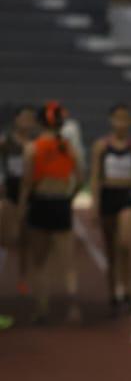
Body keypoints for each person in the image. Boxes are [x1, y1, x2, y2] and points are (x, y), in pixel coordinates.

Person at [18, 101, 84, 323]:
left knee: (39, 261)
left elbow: (27, 183)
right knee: (67, 262)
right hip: (61, 203)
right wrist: (70, 196)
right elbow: (81, 178)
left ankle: (41, 309)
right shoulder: (68, 147)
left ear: (39, 122)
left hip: (40, 204)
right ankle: (73, 307)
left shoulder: (32, 148)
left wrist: (21, 208)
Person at [89, 103, 131, 312]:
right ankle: (112, 292)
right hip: (108, 196)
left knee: (124, 244)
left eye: (125, 118)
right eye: (117, 118)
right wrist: (94, 205)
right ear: (111, 120)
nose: (121, 123)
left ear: (130, 122)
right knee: (110, 250)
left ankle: (127, 290)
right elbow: (96, 177)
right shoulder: (101, 146)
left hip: (126, 197)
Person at [1, 104, 40, 295]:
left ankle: (23, 280)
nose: (27, 122)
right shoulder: (6, 142)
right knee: (5, 237)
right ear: (16, 120)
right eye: (23, 118)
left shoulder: (36, 145)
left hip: (31, 195)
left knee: (26, 240)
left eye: (30, 119)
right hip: (10, 192)